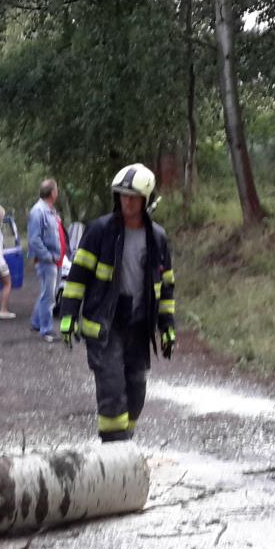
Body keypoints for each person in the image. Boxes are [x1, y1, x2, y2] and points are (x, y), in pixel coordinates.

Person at [58, 163, 177, 441]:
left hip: (138, 324)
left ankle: (125, 444)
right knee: (112, 388)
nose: (127, 201)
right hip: (104, 325)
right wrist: (68, 315)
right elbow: (78, 276)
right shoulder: (100, 231)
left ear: (146, 200)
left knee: (136, 389)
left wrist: (167, 326)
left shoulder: (157, 238)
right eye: (122, 195)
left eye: (133, 197)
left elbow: (166, 286)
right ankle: (115, 450)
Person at [27, 178, 63, 342]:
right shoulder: (38, 211)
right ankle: (46, 330)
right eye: (56, 190)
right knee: (48, 297)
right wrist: (47, 257)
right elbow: (34, 239)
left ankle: (36, 322)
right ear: (52, 192)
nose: (58, 192)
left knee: (47, 294)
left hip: (55, 259)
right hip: (47, 261)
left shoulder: (50, 210)